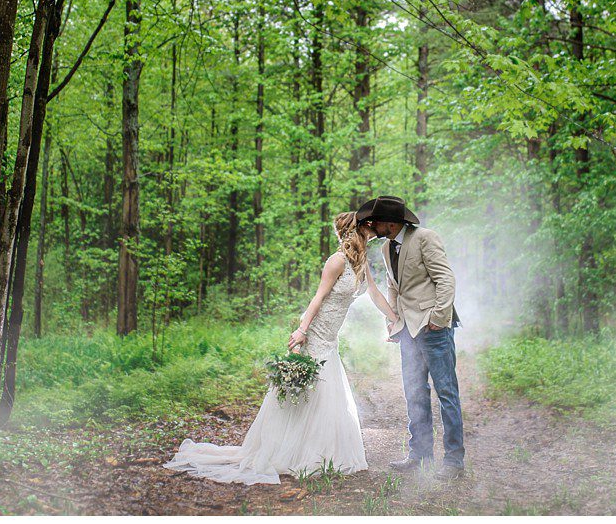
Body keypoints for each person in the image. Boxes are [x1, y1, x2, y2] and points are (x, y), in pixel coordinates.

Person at [163, 211, 399, 485]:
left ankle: (318, 452)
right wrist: (302, 331)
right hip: (315, 334)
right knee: (308, 393)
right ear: (355, 232)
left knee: (326, 397)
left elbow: (373, 293)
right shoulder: (336, 261)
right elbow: (318, 298)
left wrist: (395, 319)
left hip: (330, 340)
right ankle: (289, 452)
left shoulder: (360, 263)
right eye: (368, 230)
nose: (373, 233)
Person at [357, 195, 465, 480]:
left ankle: (454, 462)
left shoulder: (426, 238)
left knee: (446, 394)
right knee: (414, 393)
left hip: (434, 330)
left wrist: (438, 319)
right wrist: (393, 321)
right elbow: (394, 287)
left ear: (390, 223)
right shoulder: (384, 247)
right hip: (407, 330)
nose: (371, 225)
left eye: (375, 220)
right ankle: (420, 455)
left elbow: (445, 279)